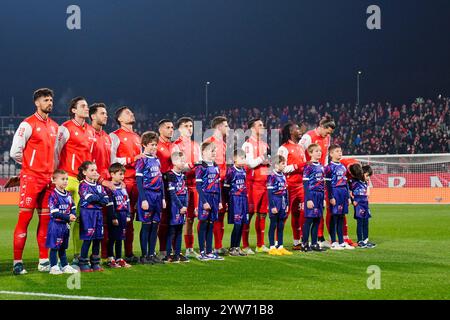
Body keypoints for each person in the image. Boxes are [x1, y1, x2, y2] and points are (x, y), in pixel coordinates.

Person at [10, 88, 59, 275]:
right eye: (46, 100)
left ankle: (43, 260)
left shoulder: (54, 126)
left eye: (51, 100)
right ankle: (17, 262)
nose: (50, 103)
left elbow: (54, 155)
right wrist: (31, 165)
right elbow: (15, 151)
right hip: (32, 178)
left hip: (48, 180)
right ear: (37, 103)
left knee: (46, 221)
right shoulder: (27, 124)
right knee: (25, 219)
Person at [55, 96, 96, 265]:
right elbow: (55, 151)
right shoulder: (65, 128)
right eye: (83, 106)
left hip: (82, 182)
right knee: (63, 220)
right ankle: (57, 257)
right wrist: (57, 176)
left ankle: (77, 255)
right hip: (67, 178)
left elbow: (90, 157)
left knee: (80, 220)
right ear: (73, 110)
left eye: (87, 106)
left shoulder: (91, 130)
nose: (87, 108)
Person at [110, 106, 143, 263]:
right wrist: (131, 159)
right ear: (120, 119)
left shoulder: (137, 137)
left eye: (132, 111)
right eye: (128, 113)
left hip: (136, 182)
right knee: (116, 218)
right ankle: (110, 255)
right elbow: (111, 159)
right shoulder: (114, 136)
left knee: (130, 220)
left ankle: (129, 253)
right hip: (121, 183)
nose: (132, 113)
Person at [172, 117, 201, 258]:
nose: (189, 128)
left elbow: (200, 165)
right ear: (179, 129)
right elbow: (178, 166)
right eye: (186, 126)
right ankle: (172, 249)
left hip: (195, 186)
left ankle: (189, 248)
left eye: (191, 126)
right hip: (181, 186)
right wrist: (192, 165)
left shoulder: (196, 145)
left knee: (191, 218)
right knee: (177, 218)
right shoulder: (176, 145)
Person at [135, 131, 166, 265]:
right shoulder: (142, 160)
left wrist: (163, 198)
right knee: (146, 225)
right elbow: (138, 181)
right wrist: (143, 199)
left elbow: (160, 180)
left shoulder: (157, 160)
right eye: (151, 145)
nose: (154, 147)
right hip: (147, 195)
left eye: (155, 145)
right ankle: (144, 255)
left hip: (158, 196)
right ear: (144, 145)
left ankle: (152, 253)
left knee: (155, 226)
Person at [89, 103, 115, 259]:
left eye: (106, 113)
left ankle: (104, 254)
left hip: (107, 182)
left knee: (108, 220)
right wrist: (98, 179)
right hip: (93, 183)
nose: (106, 115)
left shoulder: (106, 137)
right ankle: (86, 255)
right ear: (93, 116)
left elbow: (110, 162)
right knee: (90, 221)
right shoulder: (87, 134)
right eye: (102, 113)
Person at [242, 118, 271, 254]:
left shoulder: (265, 144)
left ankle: (260, 244)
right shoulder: (247, 145)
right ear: (252, 129)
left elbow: (268, 163)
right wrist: (263, 158)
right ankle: (245, 245)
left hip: (265, 183)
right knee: (249, 214)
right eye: (260, 125)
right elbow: (251, 164)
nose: (263, 127)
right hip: (252, 185)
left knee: (263, 215)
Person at [77, 161, 112, 272]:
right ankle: (83, 263)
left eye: (95, 170)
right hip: (87, 214)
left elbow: (106, 200)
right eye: (91, 170)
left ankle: (95, 263)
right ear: (84, 172)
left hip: (98, 214)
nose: (95, 172)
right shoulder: (83, 185)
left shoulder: (99, 186)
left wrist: (98, 198)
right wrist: (99, 198)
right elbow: (89, 198)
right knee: (88, 239)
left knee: (98, 239)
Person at [277, 122, 307, 250]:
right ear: (290, 132)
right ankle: (277, 243)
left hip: (300, 186)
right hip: (288, 186)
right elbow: (281, 168)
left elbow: (304, 165)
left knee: (299, 214)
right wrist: (298, 166)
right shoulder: (283, 148)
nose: (300, 130)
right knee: (284, 215)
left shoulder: (300, 148)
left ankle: (297, 242)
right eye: (297, 129)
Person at [204, 116, 229, 255]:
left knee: (220, 214)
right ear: (219, 127)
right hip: (212, 185)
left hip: (222, 183)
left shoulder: (223, 144)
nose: (228, 128)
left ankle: (218, 246)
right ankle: (207, 247)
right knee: (209, 216)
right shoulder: (209, 142)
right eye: (226, 126)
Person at [46, 169, 79, 275]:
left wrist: (73, 214)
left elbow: (73, 206)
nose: (65, 181)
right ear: (54, 180)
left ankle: (64, 266)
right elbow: (55, 213)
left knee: (63, 247)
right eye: (62, 179)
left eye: (66, 179)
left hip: (65, 226)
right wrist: (68, 217)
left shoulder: (68, 194)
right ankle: (54, 267)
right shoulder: (53, 195)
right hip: (56, 225)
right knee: (55, 247)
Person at [195, 141, 224, 261]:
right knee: (203, 224)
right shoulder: (200, 167)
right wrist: (204, 201)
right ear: (203, 152)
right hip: (205, 197)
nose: (214, 153)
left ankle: (209, 251)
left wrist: (220, 200)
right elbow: (198, 186)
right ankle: (202, 251)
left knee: (211, 224)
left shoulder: (216, 166)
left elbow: (218, 185)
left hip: (215, 198)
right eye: (211, 151)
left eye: (215, 151)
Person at [324, 145, 354, 250]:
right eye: (337, 151)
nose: (340, 153)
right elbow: (327, 184)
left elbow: (345, 182)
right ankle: (333, 241)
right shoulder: (328, 167)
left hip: (343, 193)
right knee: (334, 217)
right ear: (331, 154)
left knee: (341, 217)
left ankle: (341, 242)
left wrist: (348, 196)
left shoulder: (343, 166)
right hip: (334, 192)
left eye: (340, 151)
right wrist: (330, 197)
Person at [164, 151, 189, 263]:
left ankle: (177, 253)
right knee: (172, 230)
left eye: (184, 160)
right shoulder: (170, 175)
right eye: (180, 160)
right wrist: (180, 206)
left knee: (179, 230)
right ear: (174, 162)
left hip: (183, 205)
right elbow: (172, 193)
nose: (183, 162)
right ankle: (168, 255)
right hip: (175, 206)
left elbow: (186, 191)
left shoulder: (183, 176)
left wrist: (186, 205)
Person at [105, 163, 132, 268]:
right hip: (115, 215)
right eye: (120, 174)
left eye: (123, 174)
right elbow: (110, 204)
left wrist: (128, 214)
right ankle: (110, 258)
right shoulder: (109, 188)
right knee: (112, 237)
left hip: (123, 215)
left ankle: (119, 258)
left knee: (121, 237)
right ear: (112, 174)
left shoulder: (123, 187)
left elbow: (127, 201)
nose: (122, 176)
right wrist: (113, 217)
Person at [301, 144, 326, 252]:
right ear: (310, 153)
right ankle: (304, 244)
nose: (319, 153)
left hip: (320, 196)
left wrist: (324, 198)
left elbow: (322, 184)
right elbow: (305, 184)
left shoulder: (321, 166)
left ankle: (314, 243)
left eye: (320, 151)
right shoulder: (308, 167)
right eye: (316, 151)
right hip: (312, 194)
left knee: (317, 220)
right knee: (309, 220)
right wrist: (308, 199)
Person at [224, 149, 248, 257]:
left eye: (244, 158)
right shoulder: (231, 171)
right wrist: (226, 201)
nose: (243, 160)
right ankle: (232, 247)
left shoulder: (244, 170)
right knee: (237, 224)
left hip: (243, 199)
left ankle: (237, 247)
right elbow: (226, 187)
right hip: (234, 199)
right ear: (234, 159)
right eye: (241, 158)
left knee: (242, 223)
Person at [267, 155, 292, 256]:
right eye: (283, 163)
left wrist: (287, 204)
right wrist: (272, 206)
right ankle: (272, 247)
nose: (284, 165)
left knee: (281, 225)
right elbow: (269, 193)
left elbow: (286, 191)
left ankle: (280, 246)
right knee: (273, 224)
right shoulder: (271, 176)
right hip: (275, 201)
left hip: (282, 202)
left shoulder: (283, 175)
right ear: (276, 165)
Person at [156, 119, 174, 259]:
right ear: (160, 130)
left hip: (174, 185)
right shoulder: (156, 146)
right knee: (163, 219)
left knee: (174, 218)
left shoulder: (174, 146)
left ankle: (172, 249)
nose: (171, 130)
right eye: (168, 127)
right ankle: (162, 250)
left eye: (172, 127)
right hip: (161, 185)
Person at [349, 164, 376, 248]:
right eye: (367, 175)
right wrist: (352, 200)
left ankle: (365, 240)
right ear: (362, 173)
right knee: (360, 222)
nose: (368, 178)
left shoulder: (365, 182)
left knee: (366, 222)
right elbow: (348, 190)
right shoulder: (353, 181)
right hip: (358, 203)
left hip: (365, 203)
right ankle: (360, 240)